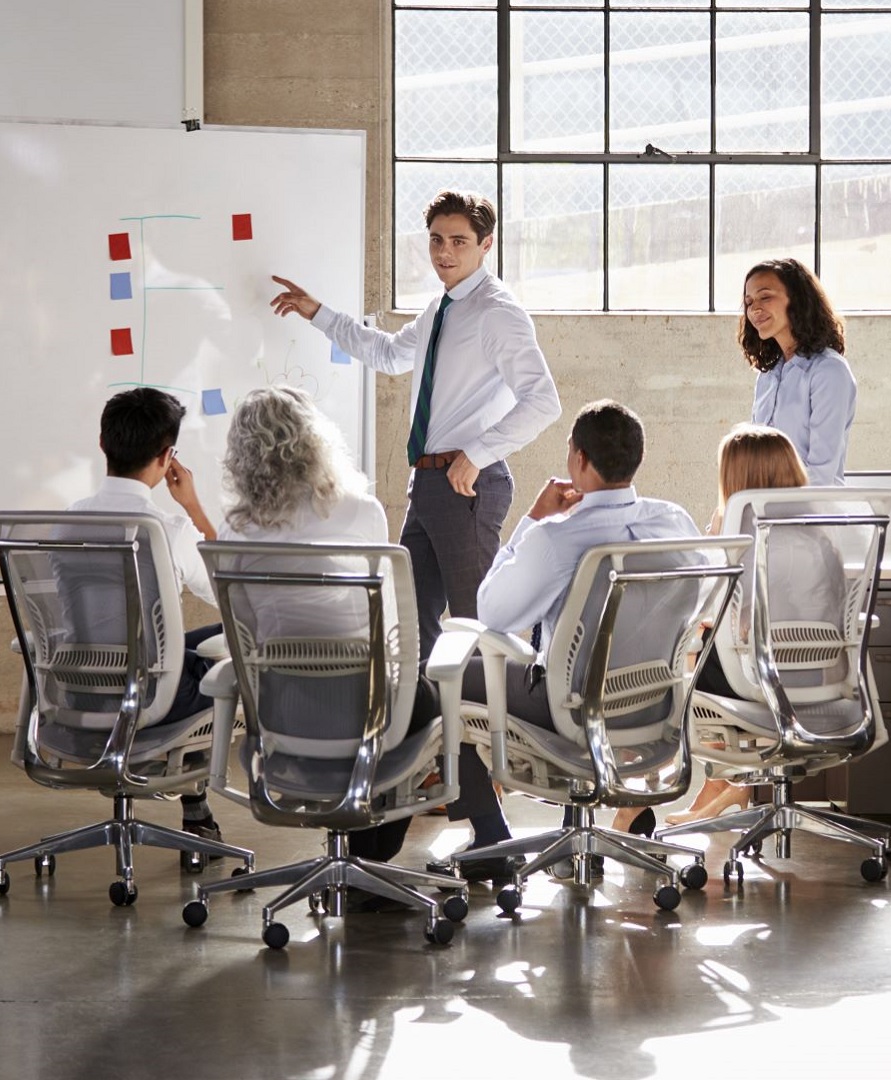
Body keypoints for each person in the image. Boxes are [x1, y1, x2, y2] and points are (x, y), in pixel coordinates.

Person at [270, 190, 562, 661]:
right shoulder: (439, 309)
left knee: (477, 622)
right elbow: (387, 354)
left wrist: (477, 455)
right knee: (410, 620)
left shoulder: (497, 312)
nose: (444, 252)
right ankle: (432, 724)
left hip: (465, 483)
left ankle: (483, 731)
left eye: (459, 242)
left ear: (486, 245)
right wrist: (318, 314)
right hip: (427, 482)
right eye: (436, 240)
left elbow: (544, 401)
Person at [441, 400, 704, 870]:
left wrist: (533, 521)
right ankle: (572, 831)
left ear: (579, 459)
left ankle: (489, 838)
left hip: (572, 709)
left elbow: (491, 613)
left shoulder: (557, 538)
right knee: (574, 651)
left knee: (450, 671)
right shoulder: (673, 523)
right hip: (654, 702)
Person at [215, 385, 438, 907]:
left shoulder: (236, 529)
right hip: (368, 711)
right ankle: (368, 862)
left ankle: (359, 863)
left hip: (282, 713)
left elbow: (243, 633)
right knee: (422, 698)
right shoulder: (361, 513)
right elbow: (385, 624)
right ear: (314, 442)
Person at [67, 387, 226, 846]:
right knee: (235, 641)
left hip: (78, 686)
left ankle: (196, 807)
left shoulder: (66, 521)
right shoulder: (170, 529)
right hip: (152, 693)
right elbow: (231, 596)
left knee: (197, 643)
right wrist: (194, 508)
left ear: (103, 444)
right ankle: (195, 809)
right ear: (167, 456)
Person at [669, 424, 844, 826]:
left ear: (738, 481)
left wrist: (716, 539)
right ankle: (727, 785)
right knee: (705, 645)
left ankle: (656, 797)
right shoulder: (817, 534)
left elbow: (713, 609)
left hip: (762, 680)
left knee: (681, 657)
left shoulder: (751, 543)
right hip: (820, 678)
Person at [738, 258, 857, 486]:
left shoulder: (829, 371)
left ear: (797, 300)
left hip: (811, 511)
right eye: (749, 301)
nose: (754, 309)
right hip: (766, 507)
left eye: (765, 297)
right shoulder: (768, 376)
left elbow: (821, 474)